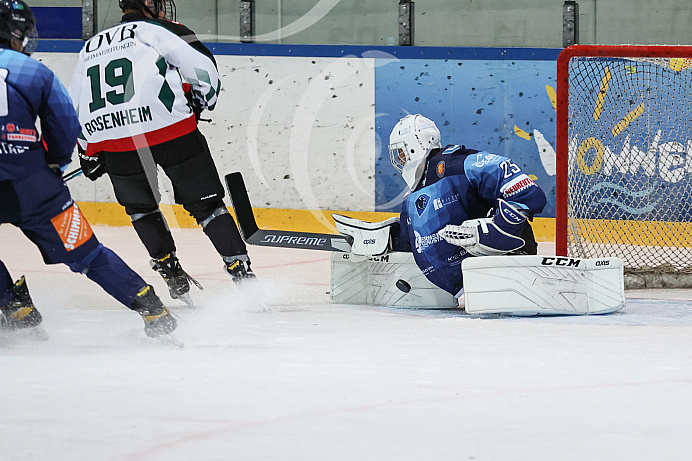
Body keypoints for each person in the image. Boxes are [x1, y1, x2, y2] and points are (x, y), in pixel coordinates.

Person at [0, 0, 175, 337]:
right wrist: (53, 164)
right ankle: (153, 311)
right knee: (89, 254)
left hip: (31, 187)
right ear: (14, 33)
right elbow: (66, 129)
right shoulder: (34, 71)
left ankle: (12, 305)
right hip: (37, 192)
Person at [68, 0, 255, 307]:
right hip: (168, 128)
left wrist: (88, 151)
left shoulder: (89, 46)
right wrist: (200, 103)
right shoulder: (157, 29)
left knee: (140, 208)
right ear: (148, 4)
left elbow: (77, 102)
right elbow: (203, 69)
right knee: (206, 204)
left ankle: (169, 270)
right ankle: (241, 272)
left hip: (112, 137)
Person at [387, 114, 547, 297]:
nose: (399, 160)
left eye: (400, 152)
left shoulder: (456, 165)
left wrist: (501, 230)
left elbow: (523, 187)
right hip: (466, 292)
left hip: (508, 268)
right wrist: (378, 240)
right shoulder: (410, 200)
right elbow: (406, 246)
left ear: (414, 146)